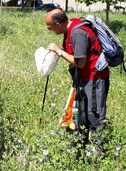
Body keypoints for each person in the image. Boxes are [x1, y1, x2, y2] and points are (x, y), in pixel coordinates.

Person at [45, 9, 110, 149]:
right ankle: (82, 147)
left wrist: (59, 51)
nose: (50, 31)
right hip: (84, 78)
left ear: (58, 24)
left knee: (94, 114)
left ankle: (99, 152)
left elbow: (79, 62)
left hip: (94, 78)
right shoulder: (71, 28)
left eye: (50, 27)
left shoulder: (78, 33)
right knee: (81, 114)